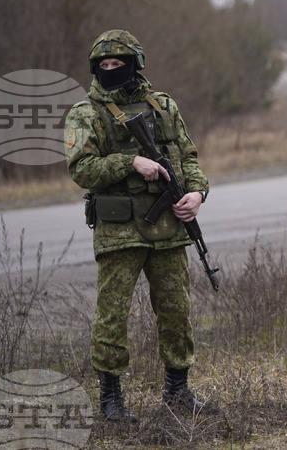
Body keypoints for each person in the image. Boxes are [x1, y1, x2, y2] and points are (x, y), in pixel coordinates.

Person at [64, 29, 210, 423]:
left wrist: (197, 194)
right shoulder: (85, 113)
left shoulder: (163, 106)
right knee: (112, 314)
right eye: (104, 65)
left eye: (118, 64)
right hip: (119, 230)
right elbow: (81, 169)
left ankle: (177, 391)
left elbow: (188, 156)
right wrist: (129, 163)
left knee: (176, 310)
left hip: (168, 227)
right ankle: (111, 400)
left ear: (135, 66)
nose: (111, 70)